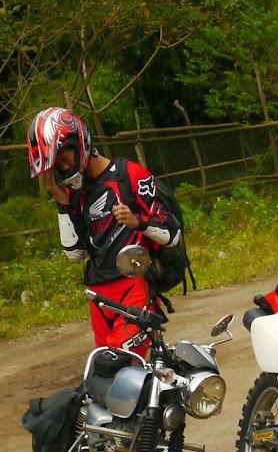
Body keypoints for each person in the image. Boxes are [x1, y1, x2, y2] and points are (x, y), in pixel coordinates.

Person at [27, 107, 181, 353]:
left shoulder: (129, 174)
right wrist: (62, 201)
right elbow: (75, 254)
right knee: (104, 370)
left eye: (66, 158)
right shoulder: (78, 194)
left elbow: (172, 233)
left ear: (79, 144)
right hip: (98, 296)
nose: (65, 167)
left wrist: (137, 222)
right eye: (59, 165)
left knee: (119, 364)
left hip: (135, 287)